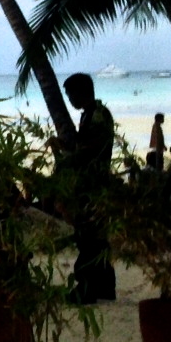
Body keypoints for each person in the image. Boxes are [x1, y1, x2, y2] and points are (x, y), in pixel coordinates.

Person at [59, 73, 117, 303]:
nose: (70, 100)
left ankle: (89, 288)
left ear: (80, 93)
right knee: (96, 238)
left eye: (70, 94)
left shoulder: (98, 117)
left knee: (89, 237)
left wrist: (66, 161)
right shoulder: (91, 116)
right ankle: (103, 288)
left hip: (94, 186)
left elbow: (91, 150)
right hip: (92, 184)